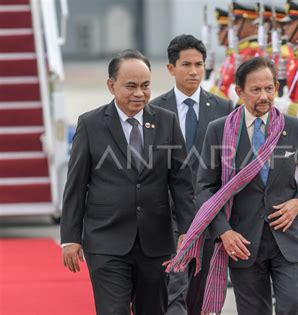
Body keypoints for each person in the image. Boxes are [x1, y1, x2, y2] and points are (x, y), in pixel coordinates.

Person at [165, 57, 298, 315]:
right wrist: (223, 232)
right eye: (256, 90)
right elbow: (205, 188)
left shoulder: (293, 127)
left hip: (288, 239)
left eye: (270, 89)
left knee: (292, 306)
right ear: (239, 91)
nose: (264, 96)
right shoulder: (220, 131)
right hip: (241, 242)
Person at [60, 49, 196, 315]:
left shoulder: (166, 122)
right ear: (111, 86)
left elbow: (181, 181)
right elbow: (75, 185)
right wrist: (70, 238)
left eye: (145, 86)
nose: (139, 94)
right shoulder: (91, 124)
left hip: (156, 242)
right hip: (106, 241)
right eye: (130, 86)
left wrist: (187, 231)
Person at [149, 34, 233, 315]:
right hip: (168, 217)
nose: (194, 71)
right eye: (186, 64)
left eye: (199, 64)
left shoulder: (224, 109)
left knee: (200, 294)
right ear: (171, 68)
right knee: (175, 289)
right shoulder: (154, 110)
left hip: (208, 216)